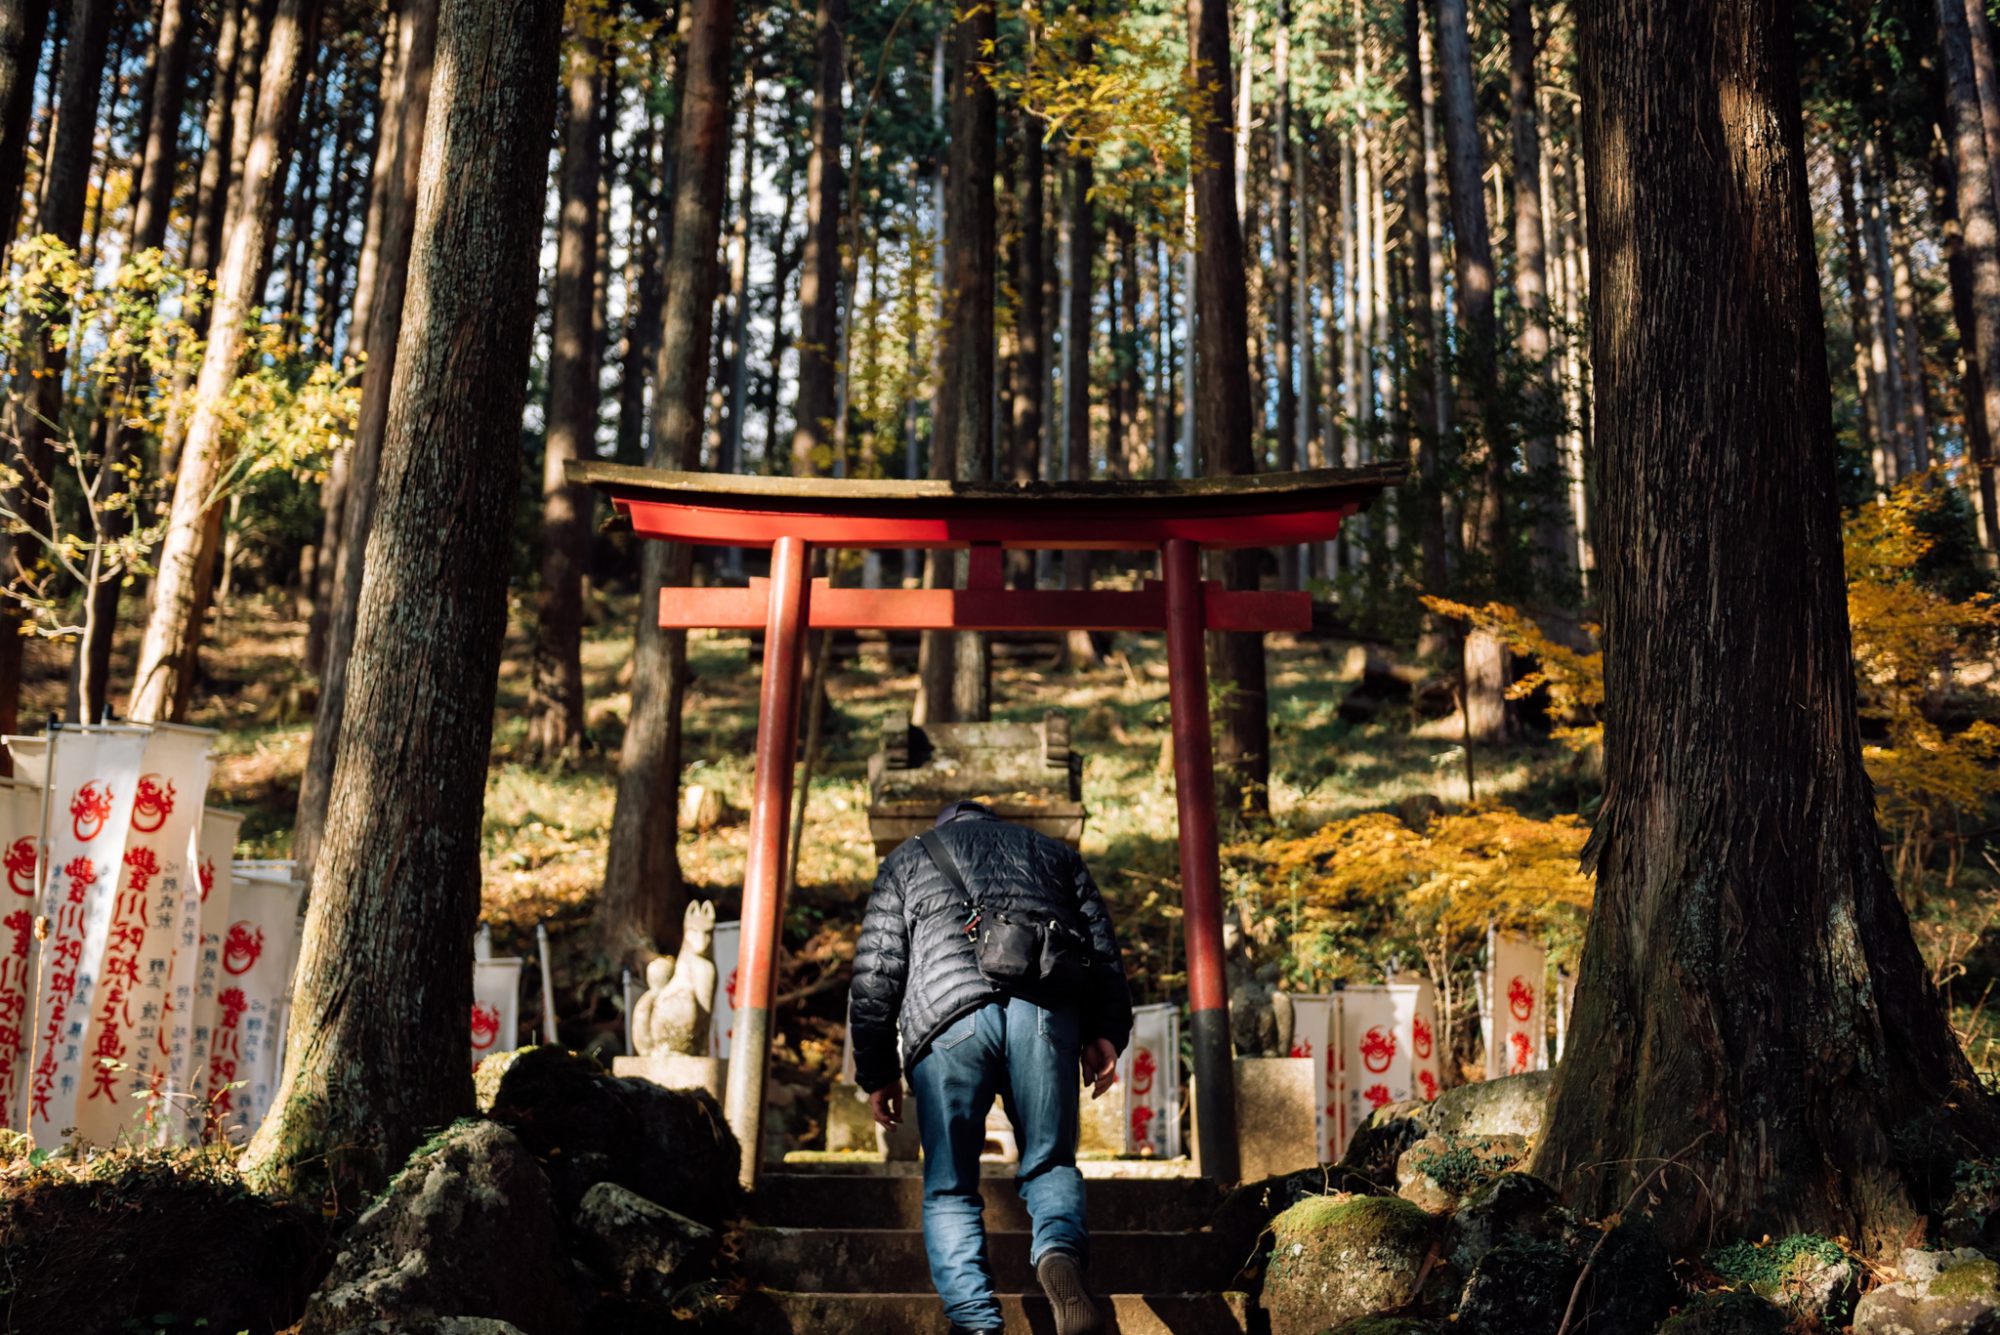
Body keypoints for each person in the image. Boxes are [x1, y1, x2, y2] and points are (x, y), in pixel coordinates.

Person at [849, 799, 1133, 1335]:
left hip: (948, 1022)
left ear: (944, 829)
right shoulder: (1056, 855)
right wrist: (1105, 1032)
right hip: (1044, 1014)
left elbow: (877, 970)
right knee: (1050, 1162)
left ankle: (977, 1320)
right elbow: (1102, 951)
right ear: (994, 825)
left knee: (951, 1184)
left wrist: (877, 1069)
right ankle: (1056, 1254)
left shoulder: (907, 859)